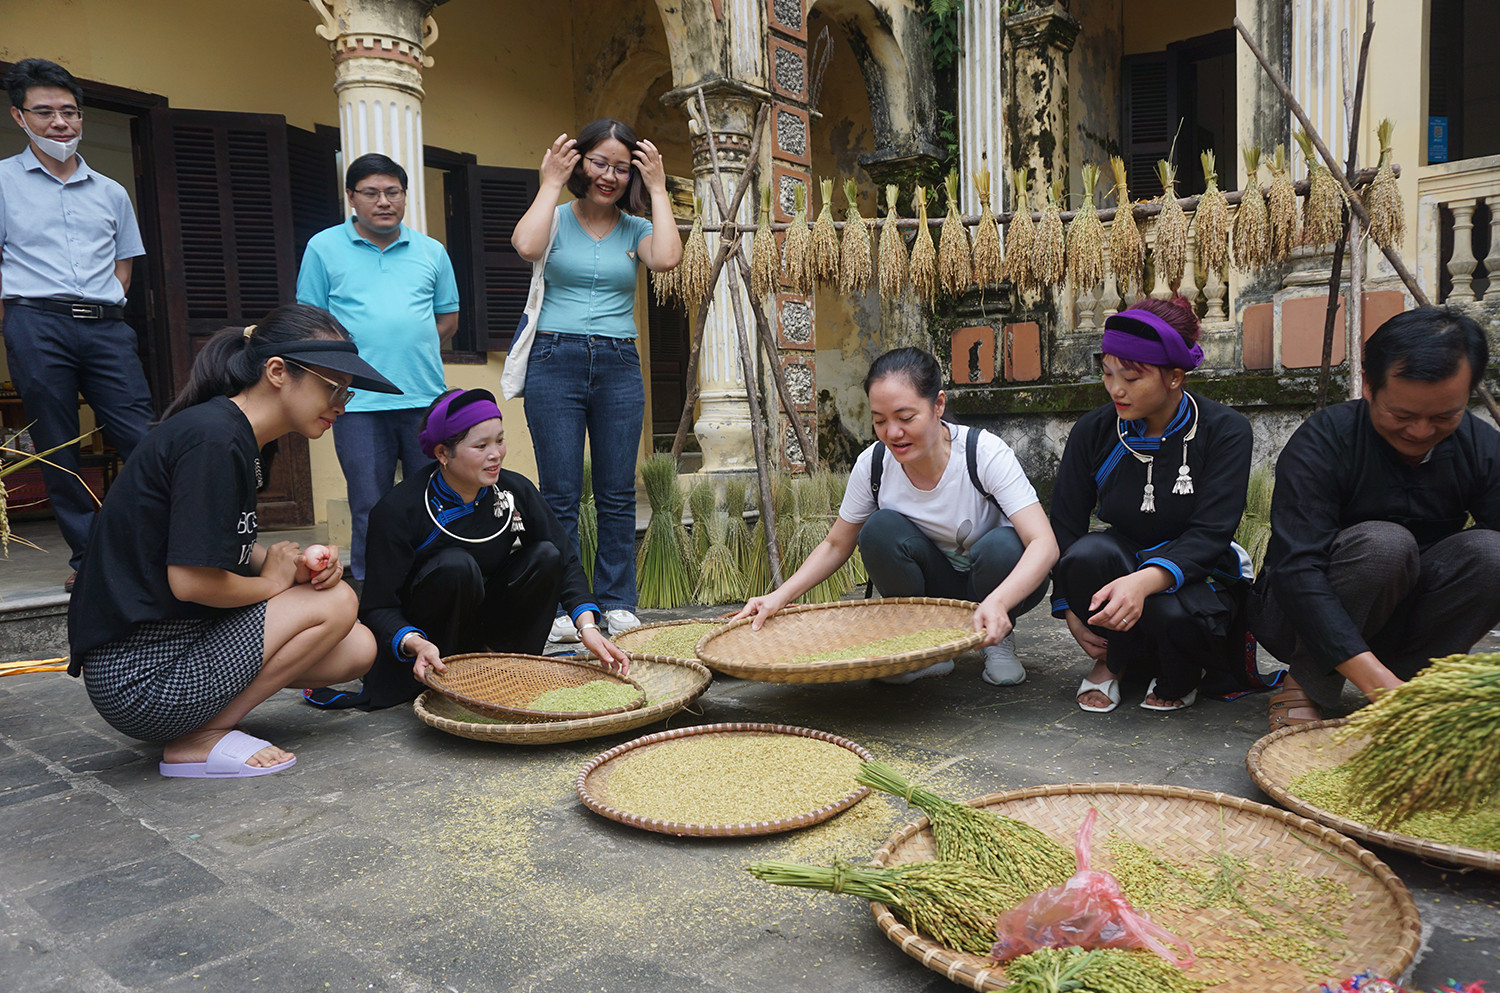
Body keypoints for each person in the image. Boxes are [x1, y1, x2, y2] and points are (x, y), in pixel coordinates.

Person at [65, 304, 394, 778]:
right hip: (140, 678)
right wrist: (274, 584)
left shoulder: (235, 436)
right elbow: (191, 582)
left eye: (348, 391)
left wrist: (292, 566)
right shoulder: (214, 440)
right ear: (278, 372)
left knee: (357, 646)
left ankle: (203, 725)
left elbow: (220, 541)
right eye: (333, 387)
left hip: (175, 653)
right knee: (338, 602)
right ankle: (200, 737)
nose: (342, 404)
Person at [735, 347, 1058, 685]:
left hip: (995, 584)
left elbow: (1044, 544)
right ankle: (923, 644)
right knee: (878, 529)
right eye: (879, 421)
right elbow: (835, 544)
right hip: (934, 591)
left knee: (1005, 545)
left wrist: (999, 603)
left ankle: (998, 641)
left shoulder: (984, 454)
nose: (892, 433)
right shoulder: (874, 464)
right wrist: (778, 598)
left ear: (938, 405)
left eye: (905, 418)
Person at [303, 388, 630, 710]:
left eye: (499, 440)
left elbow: (565, 558)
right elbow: (378, 607)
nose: (496, 454)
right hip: (429, 641)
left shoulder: (514, 490)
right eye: (481, 445)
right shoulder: (398, 510)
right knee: (456, 565)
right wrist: (416, 643)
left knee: (545, 556)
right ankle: (442, 674)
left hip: (486, 630)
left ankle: (508, 665)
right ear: (443, 454)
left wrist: (587, 627)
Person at [1251, 306, 1500, 729]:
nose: (1420, 432)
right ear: (1369, 385)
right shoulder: (1324, 440)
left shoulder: (1482, 447)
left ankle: (1412, 684)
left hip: (1409, 625)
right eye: (1402, 415)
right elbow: (1298, 569)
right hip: (1296, 616)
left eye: (1443, 416)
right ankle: (1307, 683)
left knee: (1493, 553)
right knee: (1385, 544)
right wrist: (1376, 683)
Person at [510, 119, 682, 644]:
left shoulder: (634, 228)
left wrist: (656, 189)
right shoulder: (556, 217)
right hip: (554, 358)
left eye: (621, 167)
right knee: (558, 492)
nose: (609, 175)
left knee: (616, 492)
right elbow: (525, 245)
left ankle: (617, 601)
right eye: (599, 162)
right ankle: (565, 605)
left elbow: (669, 259)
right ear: (580, 162)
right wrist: (549, 182)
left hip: (617, 363)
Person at [1050, 299, 1258, 713]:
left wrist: (1145, 582)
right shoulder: (1095, 430)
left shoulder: (1226, 431)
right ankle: (1112, 662)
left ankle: (1181, 671)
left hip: (1200, 571)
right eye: (1107, 374)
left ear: (1175, 377)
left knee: (1170, 607)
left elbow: (1211, 533)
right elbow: (1065, 523)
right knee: (1088, 554)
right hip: (1119, 559)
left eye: (1130, 377)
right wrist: (1067, 607)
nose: (1115, 390)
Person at [1, 58, 155, 590]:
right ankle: (88, 556)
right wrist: (18, 323)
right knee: (58, 444)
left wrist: (104, 306)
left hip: (106, 326)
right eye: (44, 112)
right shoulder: (2, 182)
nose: (60, 123)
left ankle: (148, 544)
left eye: (69, 111)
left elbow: (124, 264)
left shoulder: (111, 191)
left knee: (141, 436)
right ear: (20, 117)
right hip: (35, 322)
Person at [296, 152, 460, 583]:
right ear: (351, 197)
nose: (383, 201)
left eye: (393, 192)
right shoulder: (324, 247)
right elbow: (309, 324)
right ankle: (374, 597)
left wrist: (408, 349)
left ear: (405, 197)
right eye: (371, 193)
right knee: (370, 504)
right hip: (357, 402)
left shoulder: (432, 252)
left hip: (423, 397)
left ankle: (433, 585)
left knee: (433, 500)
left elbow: (447, 319)